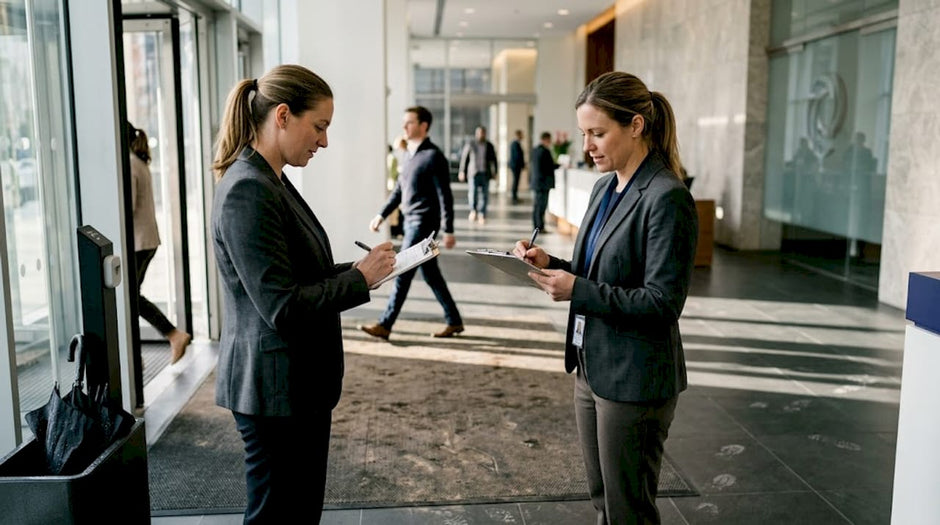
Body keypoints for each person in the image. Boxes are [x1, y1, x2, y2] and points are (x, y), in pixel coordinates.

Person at [209, 64, 396, 524]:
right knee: (278, 516)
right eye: (320, 126)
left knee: (297, 513)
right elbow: (281, 306)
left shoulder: (270, 179)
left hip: (292, 387)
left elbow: (295, 274)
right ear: (283, 116)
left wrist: (356, 270)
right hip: (273, 391)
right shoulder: (248, 190)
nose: (324, 141)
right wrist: (360, 281)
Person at [512, 71, 698, 525]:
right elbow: (596, 269)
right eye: (584, 134)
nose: (587, 146)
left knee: (628, 508)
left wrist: (577, 289)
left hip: (634, 377)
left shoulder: (666, 197)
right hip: (592, 364)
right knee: (605, 500)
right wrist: (550, 261)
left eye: (598, 133)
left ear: (636, 125)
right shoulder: (604, 186)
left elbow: (661, 303)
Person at [360, 105, 464, 341]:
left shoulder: (433, 156)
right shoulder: (409, 155)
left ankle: (385, 324)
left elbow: (444, 195)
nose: (404, 127)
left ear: (423, 126)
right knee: (431, 276)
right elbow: (399, 190)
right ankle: (454, 320)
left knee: (402, 271)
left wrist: (449, 229)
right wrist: (381, 214)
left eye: (409, 122)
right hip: (410, 222)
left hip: (423, 224)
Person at [127, 122, 192, 365]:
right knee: (132, 298)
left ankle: (173, 335)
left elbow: (128, 207)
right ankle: (140, 354)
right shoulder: (138, 161)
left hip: (138, 242)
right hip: (146, 240)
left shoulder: (130, 164)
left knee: (131, 299)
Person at [458, 125, 497, 224]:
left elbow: (494, 160)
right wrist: (462, 171)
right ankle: (473, 210)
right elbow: (464, 159)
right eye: (479, 133)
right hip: (473, 173)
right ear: (476, 134)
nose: (481, 134)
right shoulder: (471, 144)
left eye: (483, 133)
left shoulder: (489, 145)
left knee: (485, 195)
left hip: (485, 173)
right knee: (473, 193)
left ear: (485, 134)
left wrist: (495, 172)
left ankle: (482, 214)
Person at [530, 131, 559, 232]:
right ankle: (540, 227)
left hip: (536, 182)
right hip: (543, 183)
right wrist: (559, 165)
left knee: (537, 205)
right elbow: (548, 167)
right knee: (541, 206)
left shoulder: (535, 150)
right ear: (546, 139)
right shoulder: (545, 151)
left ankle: (536, 226)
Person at [508, 129, 525, 203]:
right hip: (515, 166)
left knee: (516, 181)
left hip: (516, 166)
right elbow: (517, 156)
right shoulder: (515, 144)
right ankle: (514, 197)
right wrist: (522, 164)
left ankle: (515, 196)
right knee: (515, 181)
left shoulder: (516, 143)